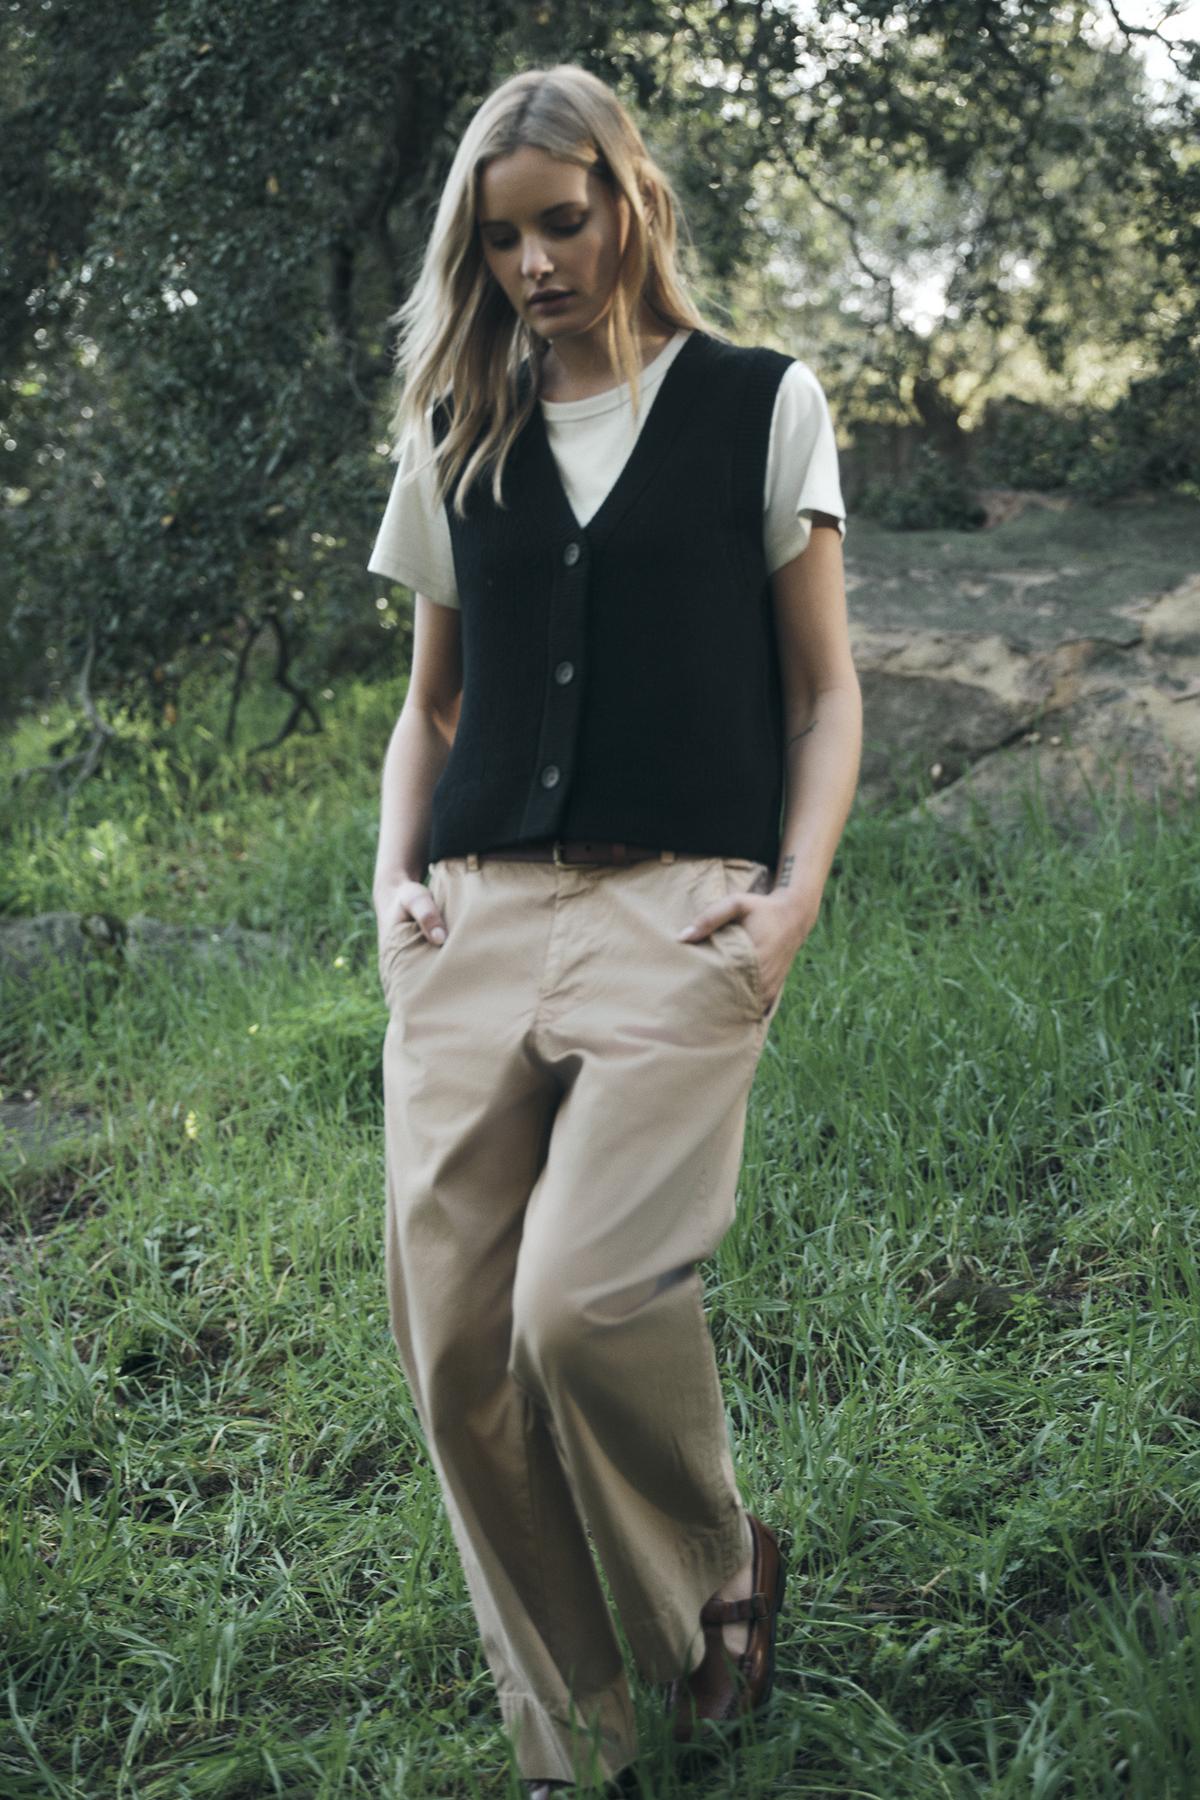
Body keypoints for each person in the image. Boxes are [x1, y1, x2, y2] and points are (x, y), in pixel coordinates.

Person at [366, 62, 861, 1798]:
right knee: (455, 1355)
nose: (533, 269)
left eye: (559, 225)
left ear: (627, 200)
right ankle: (580, 1745)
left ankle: (717, 1574)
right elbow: (428, 713)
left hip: (679, 909)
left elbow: (824, 695)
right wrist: (392, 880)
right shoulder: (459, 426)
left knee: (577, 1309)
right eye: (501, 242)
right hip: (475, 914)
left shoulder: (757, 405)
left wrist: (791, 897)